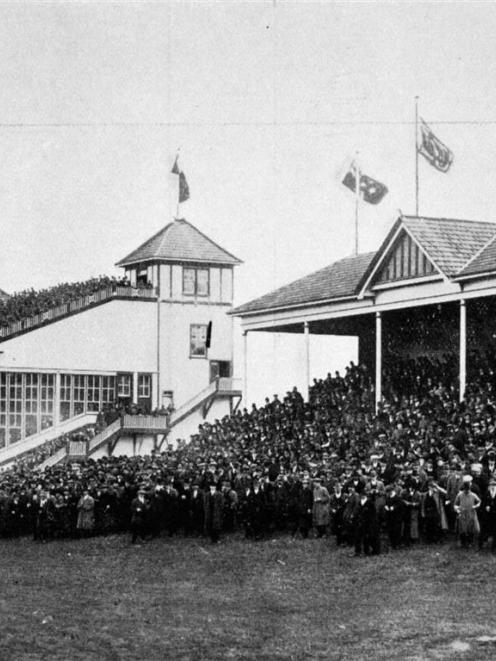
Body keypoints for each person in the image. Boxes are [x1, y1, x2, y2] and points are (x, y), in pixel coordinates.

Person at [454, 476, 481, 549]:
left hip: (471, 513)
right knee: (462, 529)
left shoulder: (473, 495)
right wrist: (457, 509)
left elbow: (479, 502)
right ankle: (463, 543)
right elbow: (455, 504)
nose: (467, 491)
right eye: (465, 490)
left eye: (468, 490)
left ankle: (470, 542)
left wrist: (475, 506)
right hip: (462, 513)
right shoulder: (459, 495)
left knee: (471, 529)